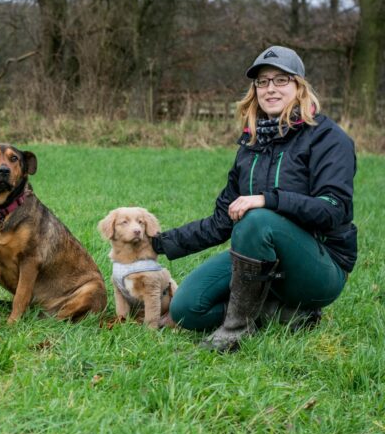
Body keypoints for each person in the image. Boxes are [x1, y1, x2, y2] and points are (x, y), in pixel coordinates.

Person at [151, 45, 357, 352]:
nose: (270, 88)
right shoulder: (251, 145)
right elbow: (222, 221)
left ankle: (235, 331)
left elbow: (333, 210)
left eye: (281, 80)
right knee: (186, 309)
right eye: (262, 81)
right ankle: (282, 313)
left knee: (258, 219)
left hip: (320, 265)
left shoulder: (329, 138)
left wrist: (267, 199)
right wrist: (158, 243)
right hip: (261, 260)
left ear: (299, 85)